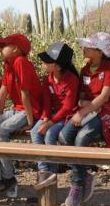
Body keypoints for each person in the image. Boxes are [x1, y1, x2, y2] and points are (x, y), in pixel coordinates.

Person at [60, 32, 110, 206]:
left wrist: (82, 112)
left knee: (82, 138)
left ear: (99, 51)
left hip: (105, 111)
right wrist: (84, 106)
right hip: (88, 109)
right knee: (65, 135)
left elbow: (104, 97)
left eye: (88, 46)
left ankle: (76, 184)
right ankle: (85, 177)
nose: (84, 48)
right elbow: (81, 96)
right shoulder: (85, 69)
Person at [0, 33, 42, 198]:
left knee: (0, 131)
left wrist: (31, 120)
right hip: (18, 109)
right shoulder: (9, 64)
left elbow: (25, 93)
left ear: (15, 49)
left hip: (30, 110)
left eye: (4, 45)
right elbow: (2, 92)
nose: (0, 48)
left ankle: (9, 178)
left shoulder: (21, 62)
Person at [30, 42, 80, 191]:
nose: (43, 64)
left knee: (50, 134)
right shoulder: (48, 79)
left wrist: (49, 123)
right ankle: (43, 169)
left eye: (47, 62)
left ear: (58, 66)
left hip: (65, 117)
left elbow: (67, 107)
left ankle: (51, 172)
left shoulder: (72, 80)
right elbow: (46, 101)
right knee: (35, 131)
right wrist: (45, 118)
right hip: (51, 116)